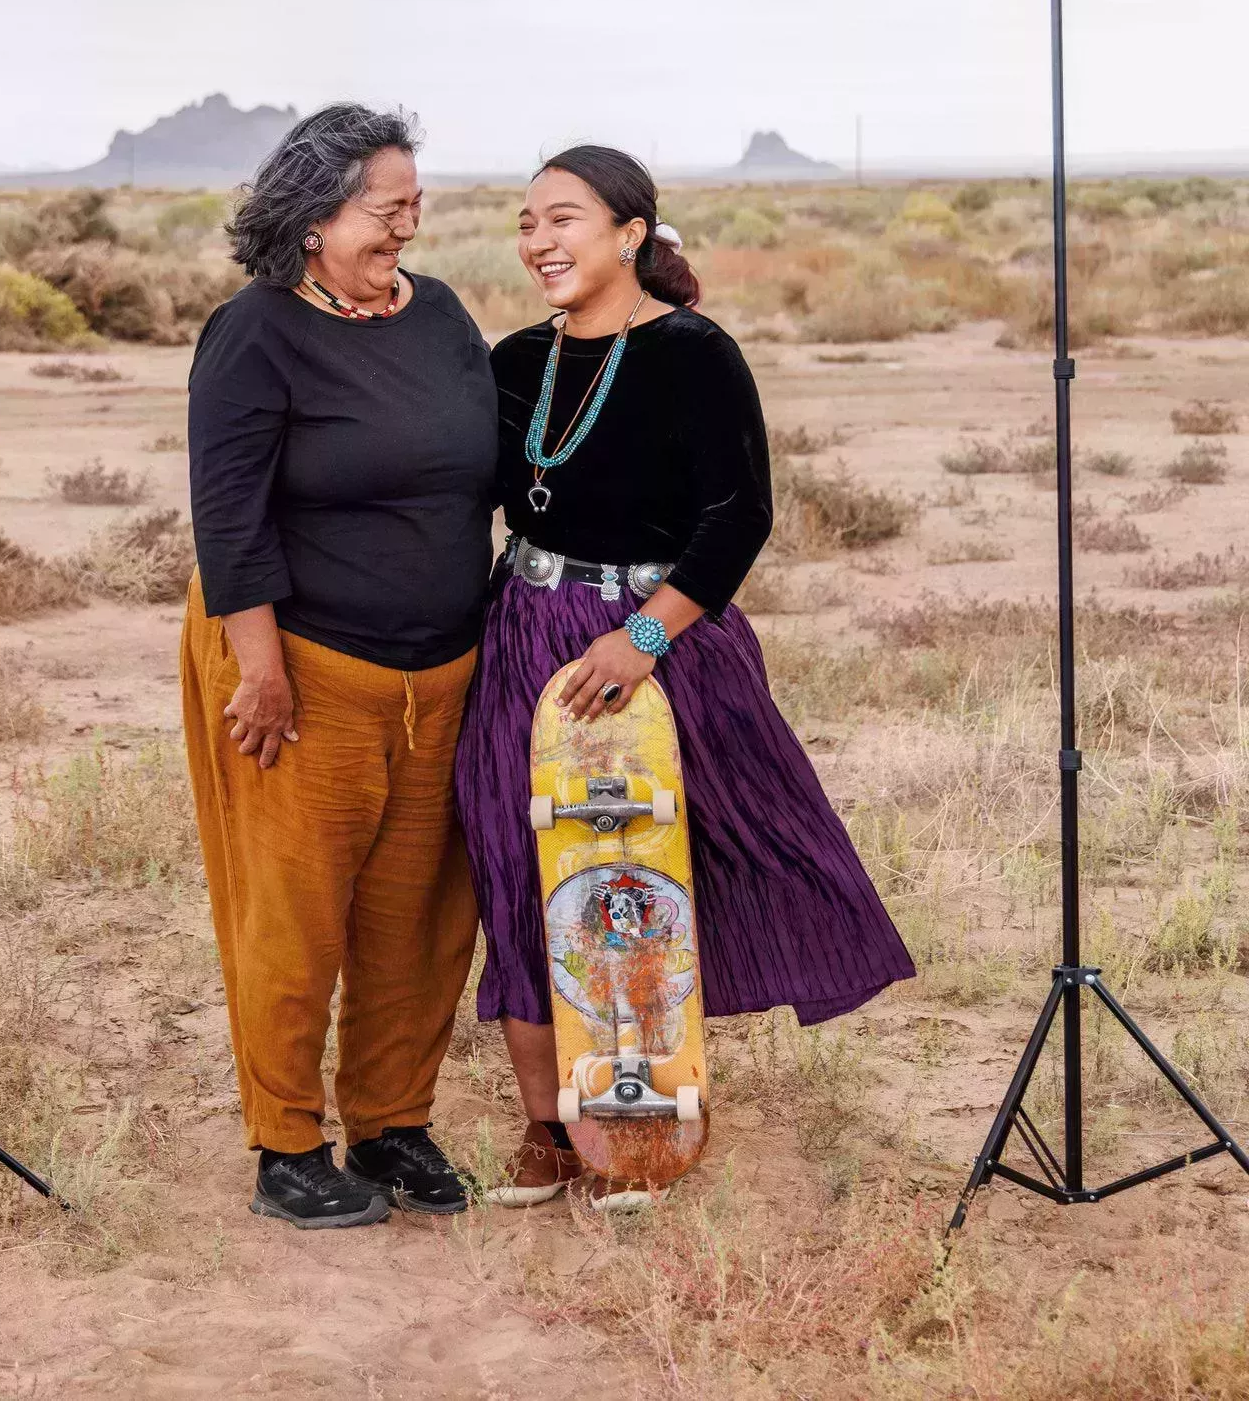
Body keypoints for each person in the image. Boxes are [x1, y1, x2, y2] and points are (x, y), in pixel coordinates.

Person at [454, 144, 915, 1210]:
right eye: (526, 223)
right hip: (524, 628)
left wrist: (643, 640)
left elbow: (737, 513)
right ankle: (544, 1128)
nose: (537, 242)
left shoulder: (695, 353)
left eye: (562, 219)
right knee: (520, 866)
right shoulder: (514, 359)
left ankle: (643, 1117)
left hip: (659, 641)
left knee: (643, 869)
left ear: (629, 233)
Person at [181, 104, 498, 1229]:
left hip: (445, 677)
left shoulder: (442, 314)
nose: (408, 225)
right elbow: (227, 519)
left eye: (415, 203)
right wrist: (257, 670)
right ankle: (285, 1146)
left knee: (417, 918)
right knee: (297, 915)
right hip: (307, 671)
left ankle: (392, 1122)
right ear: (315, 216)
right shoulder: (254, 332)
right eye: (387, 207)